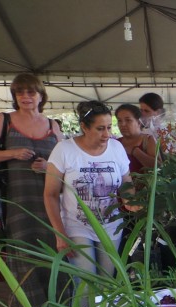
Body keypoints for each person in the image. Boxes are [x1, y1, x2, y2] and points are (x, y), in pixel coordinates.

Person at [0, 73, 63, 307]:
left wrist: (47, 166)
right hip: (18, 201)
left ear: (41, 95)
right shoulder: (4, 120)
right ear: (15, 96)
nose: (26, 97)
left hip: (50, 202)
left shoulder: (53, 125)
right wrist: (12, 154)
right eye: (20, 92)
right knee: (24, 257)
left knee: (53, 253)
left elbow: (66, 163)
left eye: (31, 92)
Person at [44, 101, 131, 286]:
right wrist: (59, 233)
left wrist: (130, 199)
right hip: (76, 225)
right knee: (86, 284)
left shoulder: (116, 148)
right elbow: (50, 194)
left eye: (109, 127)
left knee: (108, 283)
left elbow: (126, 181)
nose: (107, 134)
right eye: (100, 129)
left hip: (111, 225)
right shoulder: (64, 150)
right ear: (84, 127)